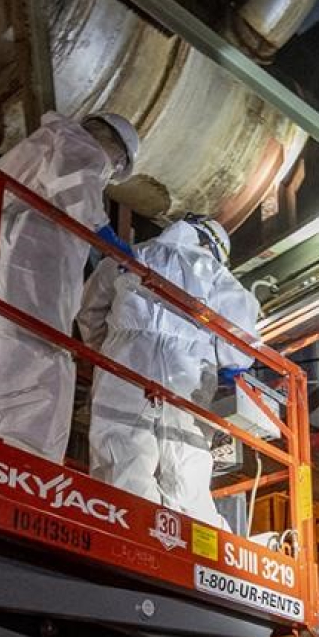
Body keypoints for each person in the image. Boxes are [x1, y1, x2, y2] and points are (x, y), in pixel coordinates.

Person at [0, 111, 140, 484]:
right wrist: (108, 240)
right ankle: (19, 461)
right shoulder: (79, 145)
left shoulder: (37, 145)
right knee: (35, 347)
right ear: (112, 145)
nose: (112, 169)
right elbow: (79, 186)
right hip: (34, 252)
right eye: (118, 163)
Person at [77, 213, 259, 531]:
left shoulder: (130, 256)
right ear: (213, 246)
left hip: (126, 360)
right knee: (186, 461)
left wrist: (107, 351)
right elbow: (240, 346)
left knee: (122, 449)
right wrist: (227, 367)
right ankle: (198, 544)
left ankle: (126, 530)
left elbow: (89, 312)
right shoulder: (217, 275)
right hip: (187, 371)